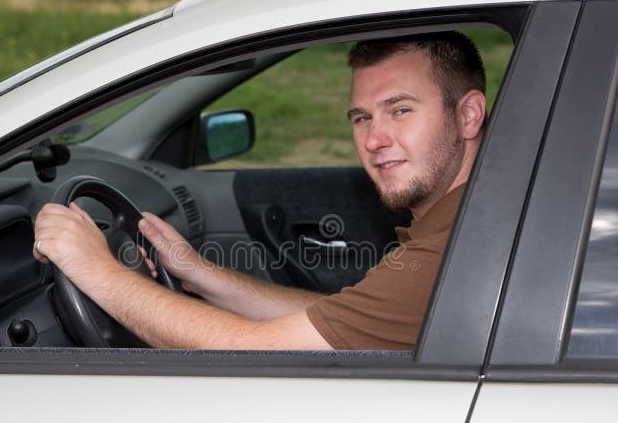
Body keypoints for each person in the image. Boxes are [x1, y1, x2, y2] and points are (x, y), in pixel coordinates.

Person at [32, 31, 487, 350]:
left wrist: (96, 269)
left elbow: (253, 348)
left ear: (468, 115)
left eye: (401, 110)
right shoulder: (467, 218)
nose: (373, 140)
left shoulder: (457, 253)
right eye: (362, 118)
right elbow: (343, 322)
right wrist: (196, 273)